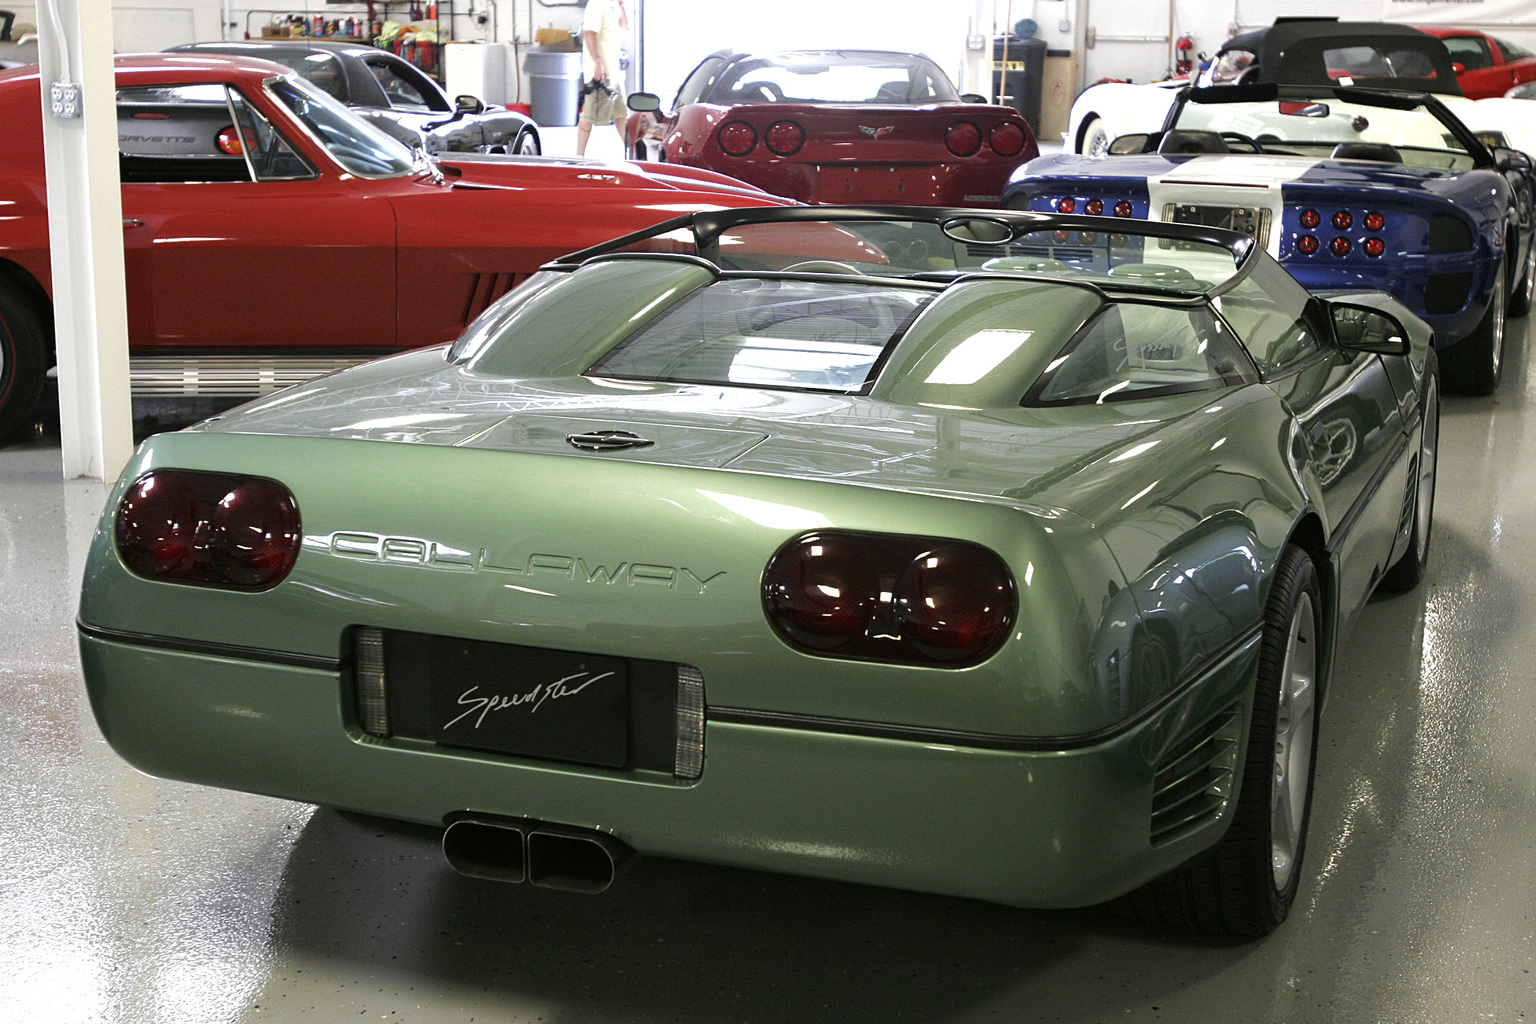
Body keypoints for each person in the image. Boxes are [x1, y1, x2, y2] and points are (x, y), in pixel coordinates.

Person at [576, 0, 629, 156]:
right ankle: (579, 156)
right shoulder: (597, 4)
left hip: (614, 72)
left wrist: (621, 5)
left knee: (621, 113)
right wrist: (597, 64)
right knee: (589, 115)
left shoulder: (614, 4)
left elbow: (624, 26)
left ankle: (631, 153)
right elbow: (588, 33)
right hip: (599, 73)